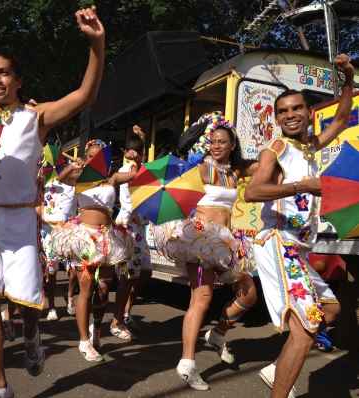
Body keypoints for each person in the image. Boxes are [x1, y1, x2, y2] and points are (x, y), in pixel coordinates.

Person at [0, 7, 105, 397]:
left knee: (28, 302)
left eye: (3, 72)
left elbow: (84, 96)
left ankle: (33, 335)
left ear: (17, 80)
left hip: (21, 221)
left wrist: (96, 45)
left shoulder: (34, 117)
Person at [244, 54, 354, 398]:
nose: (290, 115)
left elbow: (340, 118)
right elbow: (252, 191)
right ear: (276, 118)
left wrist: (348, 79)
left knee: (332, 310)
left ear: (308, 113)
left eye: (296, 109)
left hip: (297, 248)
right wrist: (300, 186)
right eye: (283, 111)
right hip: (278, 241)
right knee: (305, 331)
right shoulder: (275, 149)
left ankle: (277, 369)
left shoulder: (308, 145)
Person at [151, 112, 258, 390]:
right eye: (213, 141)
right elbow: (173, 182)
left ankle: (218, 333)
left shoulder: (235, 172)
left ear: (232, 145)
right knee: (202, 297)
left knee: (249, 293)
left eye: (223, 141)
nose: (217, 145)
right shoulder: (200, 168)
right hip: (200, 238)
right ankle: (187, 362)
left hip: (226, 242)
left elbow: (264, 166)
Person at [49, 139, 138, 361]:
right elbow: (58, 180)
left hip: (107, 238)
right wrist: (73, 166)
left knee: (104, 289)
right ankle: (83, 341)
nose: (94, 159)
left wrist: (135, 160)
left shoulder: (112, 178)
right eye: (90, 156)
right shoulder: (78, 177)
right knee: (86, 287)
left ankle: (96, 330)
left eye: (99, 156)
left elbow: (135, 175)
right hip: (84, 237)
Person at [113, 128, 150, 340]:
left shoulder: (139, 167)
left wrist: (142, 140)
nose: (134, 154)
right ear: (125, 152)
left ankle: (125, 313)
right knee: (127, 277)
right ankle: (116, 321)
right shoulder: (128, 169)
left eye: (138, 151)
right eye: (130, 150)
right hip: (129, 226)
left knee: (144, 273)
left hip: (139, 228)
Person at [39, 162, 77, 321]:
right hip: (49, 233)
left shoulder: (78, 188)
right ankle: (52, 306)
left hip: (70, 232)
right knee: (51, 272)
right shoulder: (50, 183)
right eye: (74, 171)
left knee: (74, 269)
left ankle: (70, 297)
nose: (77, 173)